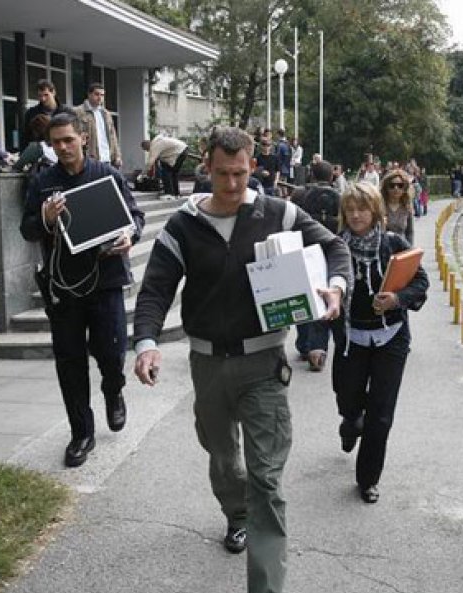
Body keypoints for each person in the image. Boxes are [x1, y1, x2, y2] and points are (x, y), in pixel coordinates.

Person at [132, 126, 351, 593]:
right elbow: (154, 290)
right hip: (207, 364)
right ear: (205, 169)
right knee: (222, 458)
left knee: (266, 481)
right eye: (222, 173)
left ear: (253, 167)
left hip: (264, 363)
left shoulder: (278, 213)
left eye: (240, 173)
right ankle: (236, 513)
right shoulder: (183, 226)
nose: (232, 184)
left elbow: (335, 246)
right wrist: (146, 342)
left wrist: (336, 285)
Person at [20, 113, 144, 467]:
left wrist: (129, 235)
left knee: (112, 352)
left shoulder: (107, 175)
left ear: (83, 138)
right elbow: (27, 229)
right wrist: (44, 218)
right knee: (70, 363)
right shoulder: (43, 182)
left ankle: (113, 389)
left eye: (68, 140)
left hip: (106, 281)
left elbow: (135, 217)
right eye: (56, 142)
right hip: (64, 287)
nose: (63, 148)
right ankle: (81, 433)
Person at [331, 181, 428, 504]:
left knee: (381, 414)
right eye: (350, 209)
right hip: (351, 338)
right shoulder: (335, 246)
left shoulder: (392, 243)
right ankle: (350, 421)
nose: (356, 215)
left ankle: (368, 479)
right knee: (348, 399)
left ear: (375, 211)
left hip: (391, 337)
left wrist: (397, 299)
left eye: (363, 208)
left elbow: (421, 281)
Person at [290, 159, 341, 371]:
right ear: (331, 177)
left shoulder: (299, 194)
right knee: (323, 296)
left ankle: (303, 344)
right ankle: (318, 347)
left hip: (302, 250)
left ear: (311, 174)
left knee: (302, 295)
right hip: (328, 250)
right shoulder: (339, 196)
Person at [74, 83, 122, 169]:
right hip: (89, 159)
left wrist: (117, 155)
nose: (100, 98)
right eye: (96, 94)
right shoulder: (78, 112)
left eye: (102, 95)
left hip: (107, 159)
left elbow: (113, 136)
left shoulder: (106, 113)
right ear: (89, 94)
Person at [141, 134, 192, 198]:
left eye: (146, 149)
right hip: (183, 149)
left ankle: (169, 193)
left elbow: (151, 161)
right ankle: (176, 193)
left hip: (179, 152)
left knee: (166, 172)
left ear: (147, 146)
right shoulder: (158, 142)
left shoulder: (155, 145)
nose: (147, 151)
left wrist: (143, 174)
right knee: (173, 173)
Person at [22, 79, 70, 145]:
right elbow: (25, 138)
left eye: (46, 95)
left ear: (53, 92)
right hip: (39, 151)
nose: (43, 99)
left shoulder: (67, 112)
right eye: (40, 96)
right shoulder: (31, 113)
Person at [381, 169, 415, 245]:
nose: (396, 188)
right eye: (392, 185)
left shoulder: (407, 207)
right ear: (386, 188)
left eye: (400, 185)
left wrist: (410, 249)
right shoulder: (380, 206)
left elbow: (410, 232)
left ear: (404, 188)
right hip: (384, 249)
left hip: (403, 249)